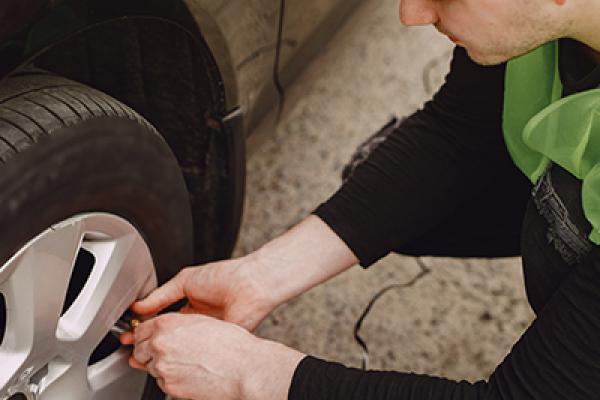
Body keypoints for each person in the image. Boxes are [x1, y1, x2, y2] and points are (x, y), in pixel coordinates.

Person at [119, 0, 600, 398]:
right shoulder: (536, 22)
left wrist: (253, 373)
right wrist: (262, 274)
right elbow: (459, 131)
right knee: (399, 194)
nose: (411, 14)